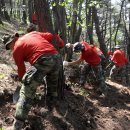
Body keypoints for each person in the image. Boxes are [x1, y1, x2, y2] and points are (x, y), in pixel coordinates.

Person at [2, 31, 64, 130]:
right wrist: (61, 44)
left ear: (11, 42)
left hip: (43, 59)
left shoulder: (16, 49)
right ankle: (50, 111)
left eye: (9, 47)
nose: (10, 49)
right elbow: (52, 36)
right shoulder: (33, 34)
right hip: (56, 58)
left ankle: (17, 126)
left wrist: (25, 82)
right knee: (52, 87)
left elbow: (21, 69)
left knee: (26, 92)